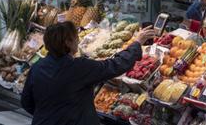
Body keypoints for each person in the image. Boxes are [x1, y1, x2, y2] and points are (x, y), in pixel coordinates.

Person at [21, 21, 155, 125]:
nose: (78, 41)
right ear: (68, 42)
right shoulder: (78, 67)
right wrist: (137, 42)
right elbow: (115, 65)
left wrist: (49, 116)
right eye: (75, 38)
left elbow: (26, 102)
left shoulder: (37, 67)